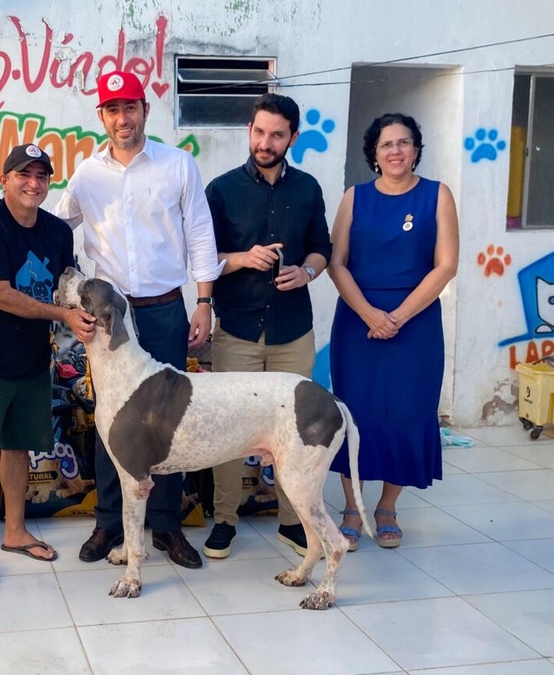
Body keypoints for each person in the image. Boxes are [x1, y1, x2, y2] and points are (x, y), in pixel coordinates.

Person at [55, 70, 222, 569]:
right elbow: (57, 227)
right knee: (113, 423)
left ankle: (167, 525)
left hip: (165, 310)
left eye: (130, 107)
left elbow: (199, 234)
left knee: (167, 424)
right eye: (112, 109)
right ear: (101, 116)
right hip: (107, 319)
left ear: (145, 110)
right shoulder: (86, 174)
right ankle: (110, 522)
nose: (122, 118)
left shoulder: (178, 165)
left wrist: (204, 301)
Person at [0, 144, 96, 593]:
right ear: (5, 178)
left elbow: (67, 285)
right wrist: (65, 317)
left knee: (17, 447)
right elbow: (1, 295)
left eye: (41, 176)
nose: (33, 183)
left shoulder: (56, 231)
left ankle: (14, 531)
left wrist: (92, 311)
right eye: (23, 174)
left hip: (32, 360)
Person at [203, 93, 332, 560]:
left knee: (295, 431)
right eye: (259, 132)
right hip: (237, 329)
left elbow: (323, 248)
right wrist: (240, 258)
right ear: (249, 132)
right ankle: (224, 520)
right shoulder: (220, 190)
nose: (266, 142)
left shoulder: (309, 188)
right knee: (228, 431)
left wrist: (308, 272)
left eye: (277, 134)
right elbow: (201, 258)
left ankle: (293, 521)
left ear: (292, 138)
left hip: (292, 331)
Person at [326, 113, 459, 549]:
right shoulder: (355, 198)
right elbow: (336, 261)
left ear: (416, 149)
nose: (396, 151)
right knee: (355, 416)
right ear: (375, 154)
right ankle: (350, 506)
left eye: (404, 143)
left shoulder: (437, 196)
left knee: (406, 413)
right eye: (387, 144)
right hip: (358, 322)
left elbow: (446, 265)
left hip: (415, 325)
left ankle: (386, 508)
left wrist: (397, 316)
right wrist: (369, 314)